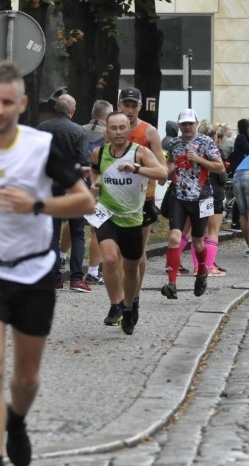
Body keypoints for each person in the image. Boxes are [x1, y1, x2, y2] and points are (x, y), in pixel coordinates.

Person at [0, 61, 95, 466]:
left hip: (34, 271)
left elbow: (85, 201)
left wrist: (36, 205)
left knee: (26, 379)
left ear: (22, 104)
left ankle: (16, 421)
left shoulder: (41, 147)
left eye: (6, 102)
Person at [89, 111, 167, 333]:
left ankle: (129, 306)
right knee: (110, 259)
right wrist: (95, 184)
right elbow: (95, 173)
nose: (118, 132)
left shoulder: (140, 152)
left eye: (122, 127)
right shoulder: (99, 152)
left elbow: (162, 174)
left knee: (131, 268)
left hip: (132, 217)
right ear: (107, 131)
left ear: (129, 130)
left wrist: (136, 168)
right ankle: (115, 304)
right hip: (106, 214)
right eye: (113, 128)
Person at [162, 109, 225, 299]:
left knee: (198, 242)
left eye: (191, 123)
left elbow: (220, 167)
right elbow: (170, 162)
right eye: (184, 124)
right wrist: (164, 172)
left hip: (201, 197)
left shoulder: (206, 142)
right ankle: (172, 284)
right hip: (178, 197)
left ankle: (203, 271)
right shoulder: (174, 143)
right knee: (174, 237)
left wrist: (198, 159)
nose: (187, 127)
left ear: (196, 124)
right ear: (179, 125)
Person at [37, 93, 92, 293]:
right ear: (72, 110)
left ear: (55, 109)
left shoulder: (42, 128)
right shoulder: (78, 131)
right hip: (73, 187)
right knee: (78, 234)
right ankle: (77, 279)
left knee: (52, 234)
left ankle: (54, 279)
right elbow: (84, 160)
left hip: (50, 187)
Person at [120, 87, 166, 320]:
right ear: (119, 105)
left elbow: (162, 169)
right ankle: (121, 300)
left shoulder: (149, 132)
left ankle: (134, 298)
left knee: (137, 253)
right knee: (117, 253)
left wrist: (140, 169)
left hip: (142, 199)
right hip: (116, 199)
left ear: (140, 107)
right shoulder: (113, 130)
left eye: (134, 106)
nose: (130, 110)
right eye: (126, 105)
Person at [190, 122, 230, 277]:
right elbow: (223, 176)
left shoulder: (192, 149)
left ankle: (197, 267)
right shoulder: (215, 151)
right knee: (213, 231)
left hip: (197, 192)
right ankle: (209, 266)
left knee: (199, 233)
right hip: (214, 193)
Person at [81, 100, 112, 285]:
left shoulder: (79, 129)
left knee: (74, 221)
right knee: (96, 227)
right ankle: (93, 270)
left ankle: (61, 255)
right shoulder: (107, 135)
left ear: (93, 113)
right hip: (97, 181)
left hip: (77, 180)